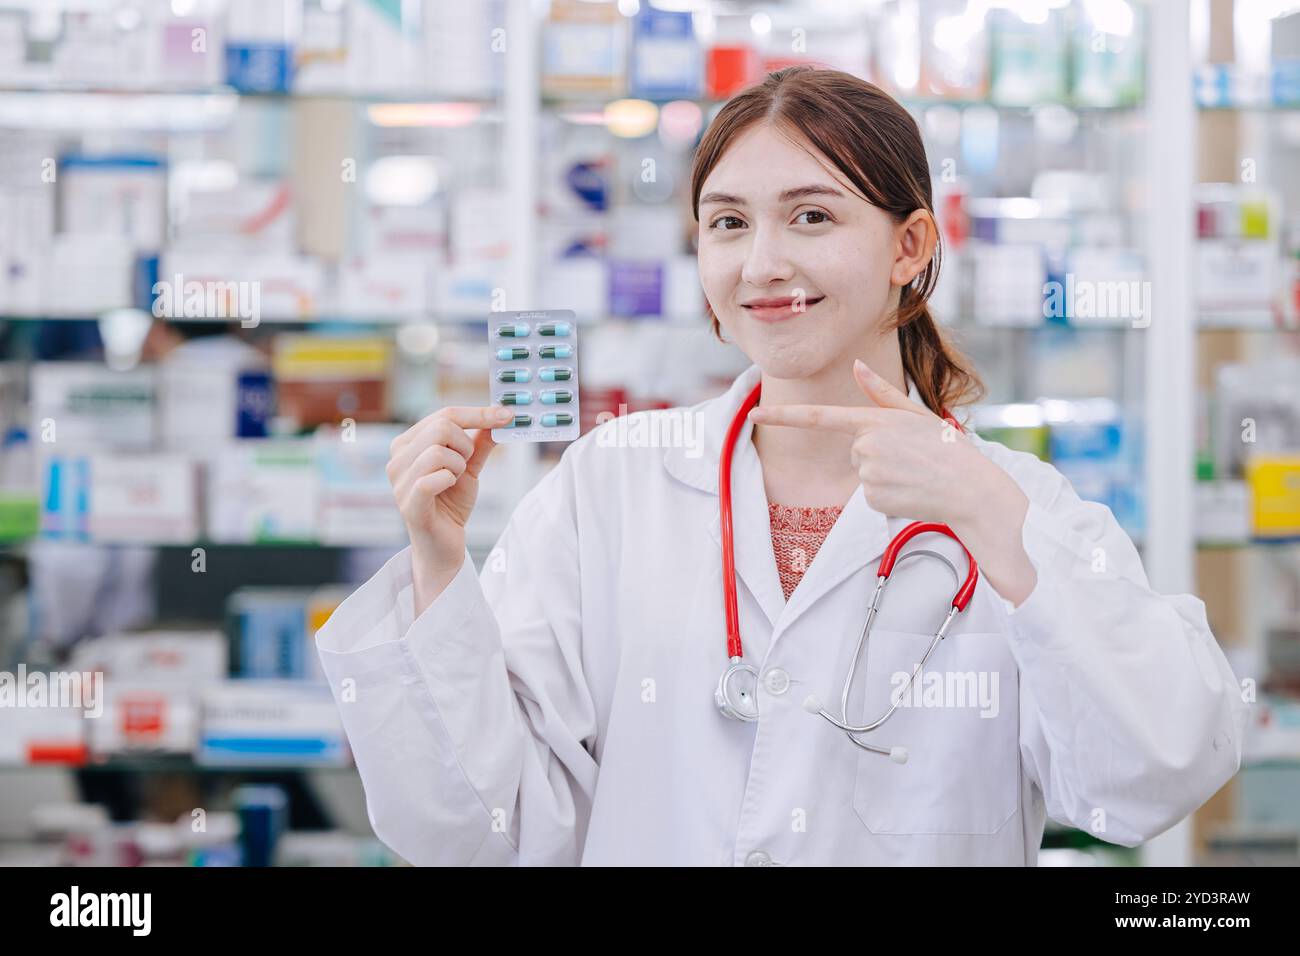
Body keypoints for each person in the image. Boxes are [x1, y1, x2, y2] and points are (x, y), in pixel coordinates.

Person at [314, 67, 1245, 866]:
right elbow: (478, 829)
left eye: (811, 215)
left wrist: (996, 526)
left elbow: (1150, 778)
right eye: (727, 224)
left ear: (909, 247)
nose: (763, 263)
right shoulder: (613, 486)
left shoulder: (1019, 508)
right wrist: (440, 564)